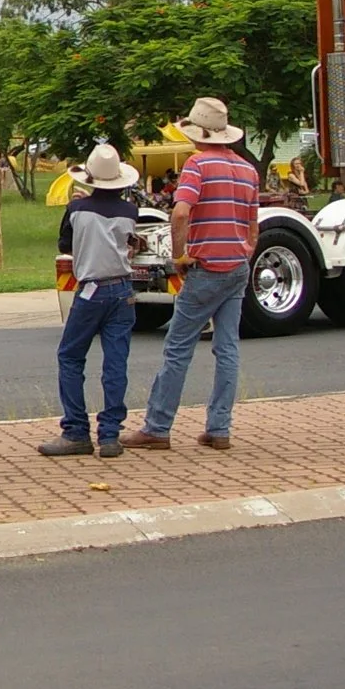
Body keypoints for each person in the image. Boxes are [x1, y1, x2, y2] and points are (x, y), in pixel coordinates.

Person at [125, 97, 261, 451]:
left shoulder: (197, 165)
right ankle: (219, 428)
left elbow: (181, 213)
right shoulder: (248, 169)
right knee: (227, 347)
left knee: (178, 347)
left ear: (197, 133)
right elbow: (252, 223)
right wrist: (245, 249)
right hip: (237, 265)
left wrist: (180, 255)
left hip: (205, 267)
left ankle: (157, 426)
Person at [39, 143, 142, 457]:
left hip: (92, 288)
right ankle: (110, 435)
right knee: (115, 362)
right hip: (123, 289)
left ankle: (76, 431)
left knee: (70, 357)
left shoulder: (77, 209)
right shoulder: (130, 210)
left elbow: (65, 244)